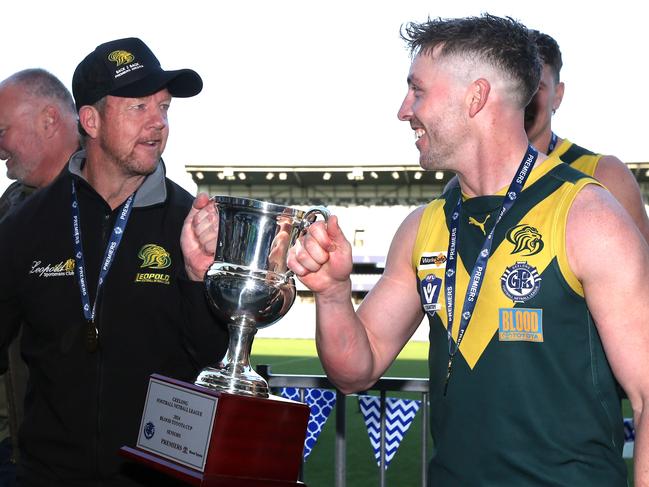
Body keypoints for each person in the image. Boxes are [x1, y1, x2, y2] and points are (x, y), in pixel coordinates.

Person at [288, 14, 649, 486]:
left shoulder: (588, 217)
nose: (403, 110)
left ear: (476, 97)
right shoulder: (424, 225)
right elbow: (357, 370)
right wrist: (333, 293)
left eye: (417, 90)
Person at [0, 37, 228, 487]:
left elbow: (208, 355)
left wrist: (198, 277)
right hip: (43, 476)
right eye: (138, 107)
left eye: (163, 107)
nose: (158, 123)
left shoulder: (190, 222)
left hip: (156, 478)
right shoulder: (24, 225)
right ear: (91, 120)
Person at [0, 68, 80, 485]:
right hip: (16, 443)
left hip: (78, 456)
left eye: (2, 130)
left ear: (49, 120)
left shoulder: (121, 199)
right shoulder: (11, 206)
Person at [524, 29, 649, 241]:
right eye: (516, 87)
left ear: (558, 96)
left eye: (536, 87)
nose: (523, 98)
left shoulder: (606, 176)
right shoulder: (469, 183)